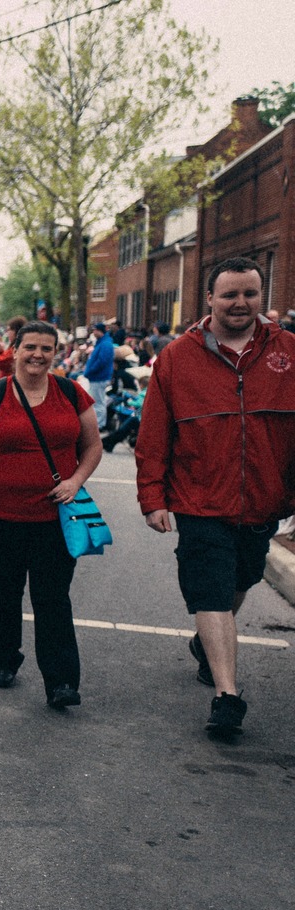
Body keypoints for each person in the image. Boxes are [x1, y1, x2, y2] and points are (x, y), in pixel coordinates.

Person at [135, 256, 295, 740]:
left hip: (264, 501)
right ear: (209, 299)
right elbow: (153, 435)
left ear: (261, 296)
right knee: (209, 587)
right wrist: (153, 497)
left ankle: (207, 646)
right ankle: (227, 695)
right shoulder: (178, 358)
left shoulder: (288, 352)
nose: (240, 303)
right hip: (199, 500)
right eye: (229, 294)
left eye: (249, 293)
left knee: (240, 580)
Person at [0, 321, 101, 709]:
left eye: (47, 348)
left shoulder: (71, 393)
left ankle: (62, 683)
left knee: (53, 598)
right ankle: (4, 661)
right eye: (30, 347)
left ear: (56, 353)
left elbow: (93, 447)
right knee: (5, 594)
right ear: (15, 350)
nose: (38, 354)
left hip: (55, 520)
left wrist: (76, 481)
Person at [82, 321, 114, 428]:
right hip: (97, 377)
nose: (94, 332)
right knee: (98, 401)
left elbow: (102, 362)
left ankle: (100, 425)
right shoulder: (102, 342)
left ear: (100, 331)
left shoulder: (105, 344)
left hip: (99, 377)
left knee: (99, 402)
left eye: (95, 330)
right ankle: (98, 423)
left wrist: (90, 370)